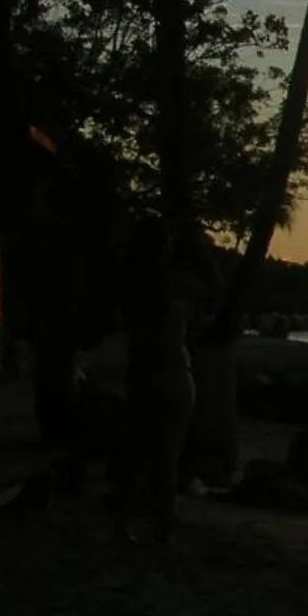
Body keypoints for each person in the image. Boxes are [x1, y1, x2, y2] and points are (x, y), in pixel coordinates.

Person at [118, 216, 219, 544]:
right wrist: (200, 249)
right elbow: (215, 288)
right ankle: (162, 527)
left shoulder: (133, 285)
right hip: (173, 375)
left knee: (136, 456)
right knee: (165, 459)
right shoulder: (173, 283)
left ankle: (127, 525)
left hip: (147, 376)